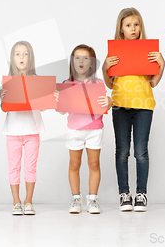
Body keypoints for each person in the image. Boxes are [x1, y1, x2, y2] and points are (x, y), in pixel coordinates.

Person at [103, 7, 165, 212]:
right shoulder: (115, 54)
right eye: (128, 25)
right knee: (122, 151)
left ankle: (141, 193)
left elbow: (154, 82)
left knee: (140, 152)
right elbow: (110, 84)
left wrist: (161, 65)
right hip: (120, 105)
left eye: (136, 25)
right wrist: (105, 68)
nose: (133, 29)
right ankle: (124, 193)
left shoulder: (147, 53)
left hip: (144, 106)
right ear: (121, 29)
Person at [56, 44, 112, 214]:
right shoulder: (67, 84)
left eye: (85, 58)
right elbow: (61, 110)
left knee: (94, 164)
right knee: (74, 164)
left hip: (95, 130)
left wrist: (109, 101)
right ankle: (76, 198)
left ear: (91, 63)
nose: (81, 61)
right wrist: (58, 100)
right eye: (77, 58)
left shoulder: (98, 83)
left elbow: (105, 103)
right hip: (75, 130)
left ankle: (93, 199)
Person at [0, 41, 45, 215]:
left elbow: (42, 107)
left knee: (30, 167)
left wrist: (49, 97)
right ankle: (16, 201)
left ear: (30, 58)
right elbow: (4, 108)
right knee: (14, 167)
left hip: (32, 130)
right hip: (12, 131)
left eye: (25, 54)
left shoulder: (36, 80)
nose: (21, 57)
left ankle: (28, 201)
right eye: (17, 54)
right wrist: (2, 97)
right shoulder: (8, 81)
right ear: (12, 58)